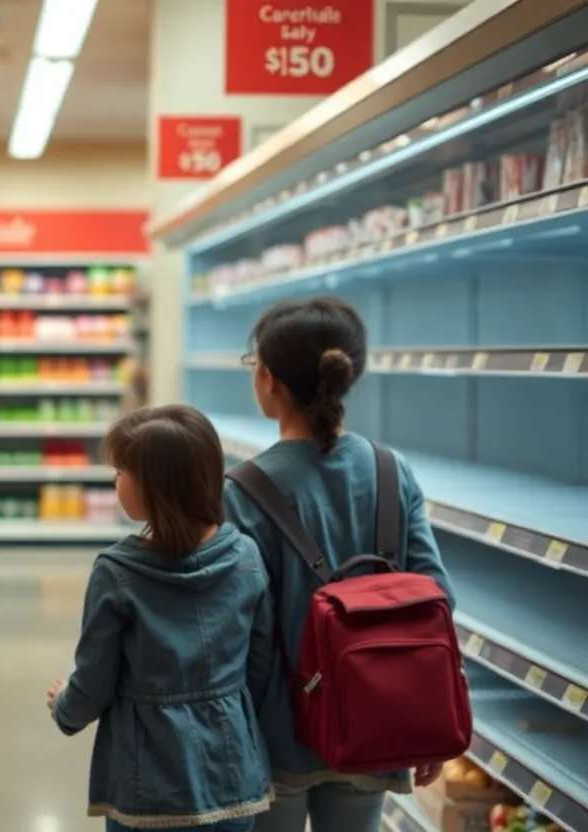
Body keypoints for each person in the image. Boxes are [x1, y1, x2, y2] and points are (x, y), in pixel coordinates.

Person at [222, 297, 456, 832]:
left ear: (269, 380)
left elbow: (237, 625)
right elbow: (436, 593)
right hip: (380, 716)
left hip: (275, 732)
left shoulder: (243, 490)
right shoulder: (391, 470)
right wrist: (428, 713)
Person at [46, 404, 275, 832]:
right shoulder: (246, 556)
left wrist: (65, 708)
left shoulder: (117, 573)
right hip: (233, 777)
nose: (115, 480)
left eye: (121, 471)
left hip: (146, 787)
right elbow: (260, 663)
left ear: (154, 487)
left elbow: (95, 679)